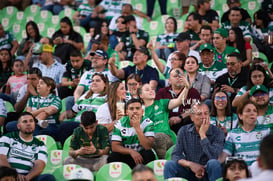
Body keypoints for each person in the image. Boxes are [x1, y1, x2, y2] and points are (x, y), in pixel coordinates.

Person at [164, 103, 225, 180]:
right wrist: (191, 165)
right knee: (169, 164)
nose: (203, 117)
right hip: (190, 171)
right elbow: (176, 155)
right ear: (192, 117)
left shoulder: (218, 132)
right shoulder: (184, 131)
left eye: (206, 114)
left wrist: (203, 135)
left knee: (213, 163)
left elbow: (214, 156)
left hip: (208, 171)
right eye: (199, 114)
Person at [139, 82, 190, 159]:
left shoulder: (162, 103)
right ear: (141, 95)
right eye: (147, 90)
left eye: (152, 89)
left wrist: (186, 87)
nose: (151, 91)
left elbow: (179, 101)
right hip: (149, 140)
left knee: (158, 137)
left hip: (166, 138)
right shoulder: (139, 110)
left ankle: (161, 165)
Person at [0, 112, 55, 181]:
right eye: (24, 122)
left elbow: (40, 165)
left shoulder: (40, 144)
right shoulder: (7, 138)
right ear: (18, 126)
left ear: (34, 125)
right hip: (7, 174)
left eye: (31, 121)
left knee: (48, 178)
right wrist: (13, 175)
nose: (28, 124)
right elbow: (1, 158)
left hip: (28, 176)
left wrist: (27, 178)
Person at [218, 100, 271, 167]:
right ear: (240, 116)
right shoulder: (232, 134)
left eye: (254, 111)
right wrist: (206, 166)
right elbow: (224, 156)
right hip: (241, 171)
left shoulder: (266, 131)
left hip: (260, 170)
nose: (252, 113)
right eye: (248, 111)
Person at [107, 99, 156, 168]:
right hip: (126, 155)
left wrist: (137, 129)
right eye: (131, 109)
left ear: (142, 111)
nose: (135, 111)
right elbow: (114, 147)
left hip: (141, 156)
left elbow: (148, 146)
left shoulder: (148, 123)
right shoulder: (120, 123)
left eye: (137, 108)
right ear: (127, 112)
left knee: (149, 154)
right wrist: (131, 151)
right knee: (113, 156)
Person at [155, 68, 201, 133]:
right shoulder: (162, 92)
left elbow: (196, 109)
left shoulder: (193, 92)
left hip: (185, 124)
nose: (178, 78)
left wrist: (180, 117)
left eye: (181, 76)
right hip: (166, 123)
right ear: (170, 80)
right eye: (175, 76)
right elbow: (157, 109)